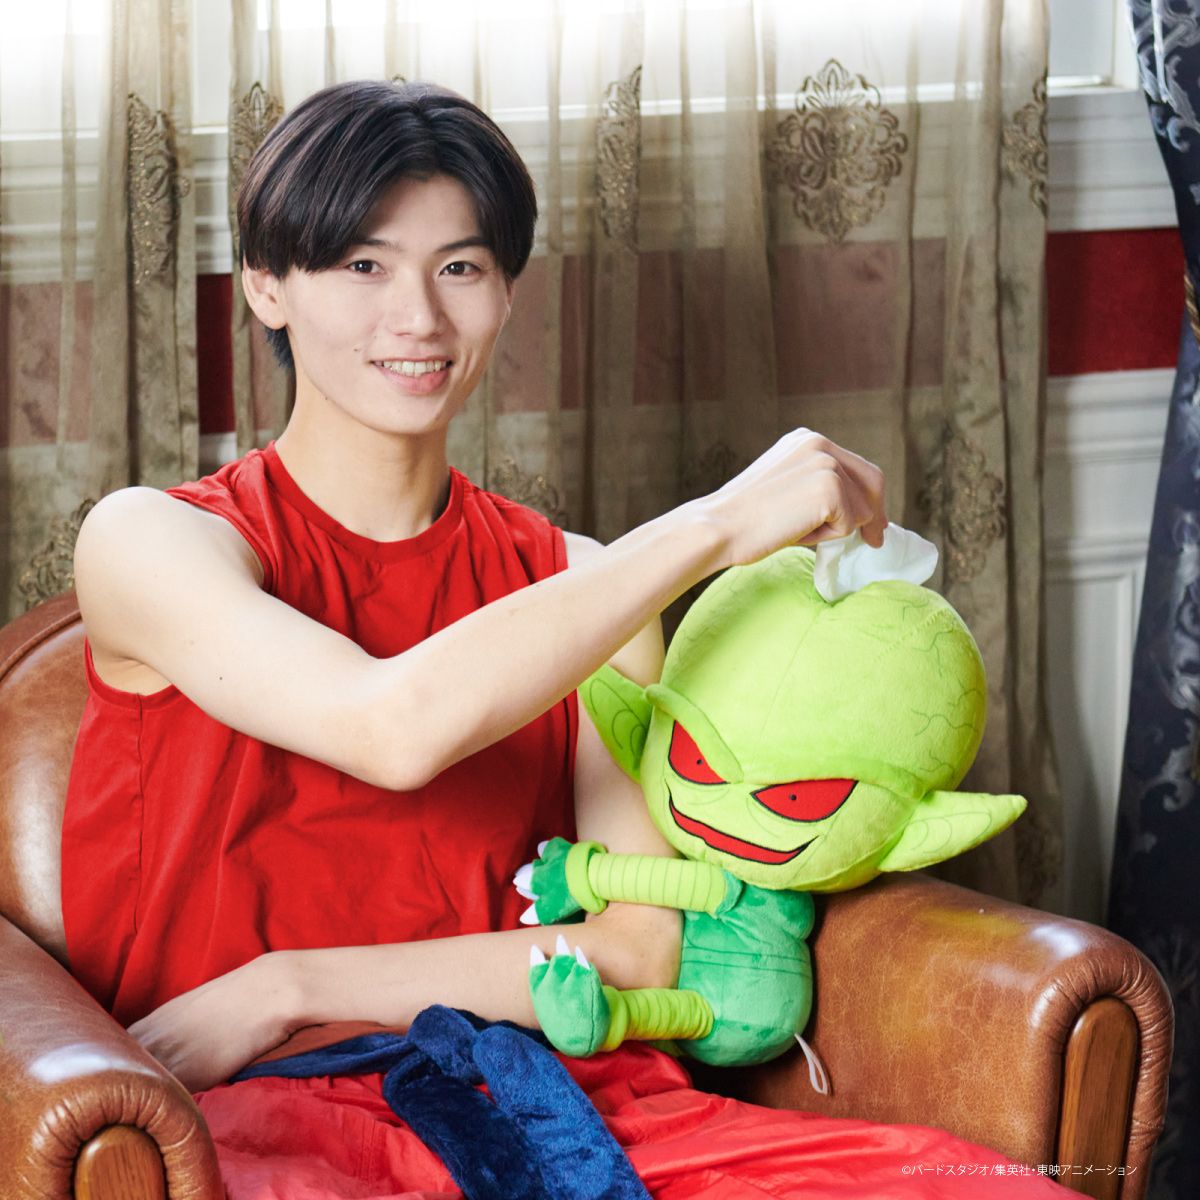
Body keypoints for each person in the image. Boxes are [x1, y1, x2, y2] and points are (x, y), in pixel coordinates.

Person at [63, 80, 1070, 1198]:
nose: (418, 317)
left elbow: (640, 947)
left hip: (564, 1096)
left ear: (506, 292)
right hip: (257, 1121)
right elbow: (390, 727)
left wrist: (285, 986)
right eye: (362, 265)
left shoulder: (582, 584)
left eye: (460, 267)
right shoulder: (149, 542)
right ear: (266, 284)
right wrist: (714, 524)